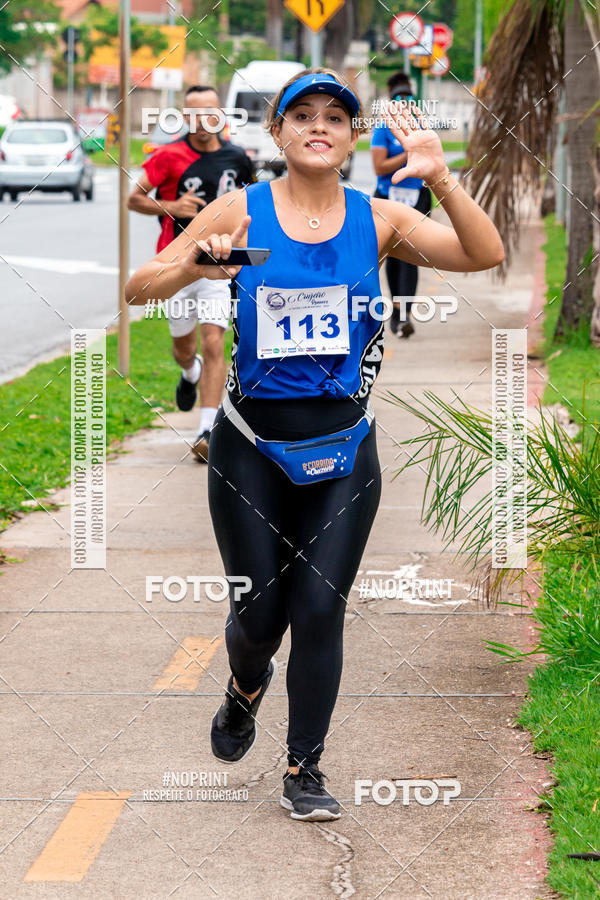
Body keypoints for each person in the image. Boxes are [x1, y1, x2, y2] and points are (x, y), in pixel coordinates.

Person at [125, 67, 504, 821]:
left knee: (320, 608)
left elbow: (482, 254)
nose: (319, 125)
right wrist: (196, 263)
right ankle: (243, 688)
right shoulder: (240, 209)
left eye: (337, 115)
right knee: (260, 617)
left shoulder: (380, 217)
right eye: (303, 115)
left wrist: (443, 178)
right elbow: (138, 289)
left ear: (354, 135)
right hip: (249, 451)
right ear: (279, 132)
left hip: (344, 453)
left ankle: (304, 769)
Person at [128, 84, 254, 461]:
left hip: (217, 268)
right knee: (185, 348)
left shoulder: (239, 158)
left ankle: (206, 429)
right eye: (195, 115)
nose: (203, 122)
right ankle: (189, 372)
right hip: (175, 265)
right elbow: (134, 198)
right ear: (184, 118)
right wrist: (172, 205)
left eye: (210, 113)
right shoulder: (168, 156)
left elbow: (253, 204)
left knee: (215, 341)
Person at [371, 72, 432, 338]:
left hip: (417, 197)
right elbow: (378, 166)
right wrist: (407, 154)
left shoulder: (421, 125)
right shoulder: (383, 127)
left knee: (413, 256)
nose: (405, 103)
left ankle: (404, 315)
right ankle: (396, 312)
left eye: (409, 99)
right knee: (393, 255)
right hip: (387, 196)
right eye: (399, 99)